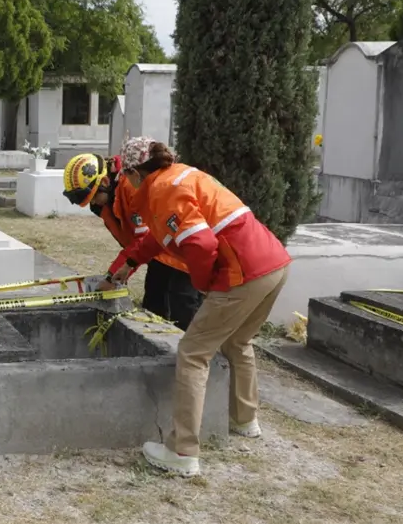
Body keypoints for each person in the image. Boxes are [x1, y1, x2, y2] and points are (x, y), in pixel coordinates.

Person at [104, 137, 291, 477]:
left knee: (192, 352)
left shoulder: (162, 191)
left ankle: (181, 450)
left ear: (132, 172)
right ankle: (244, 420)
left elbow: (201, 243)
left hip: (244, 272)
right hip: (274, 263)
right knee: (238, 341)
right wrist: (123, 267)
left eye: (125, 176)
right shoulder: (180, 176)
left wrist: (203, 283)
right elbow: (155, 239)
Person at [62, 151, 203, 329]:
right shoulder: (106, 201)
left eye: (95, 198)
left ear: (105, 182)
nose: (95, 204)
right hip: (158, 251)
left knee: (183, 306)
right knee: (153, 304)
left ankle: (194, 352)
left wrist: (112, 276)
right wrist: (122, 270)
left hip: (180, 249)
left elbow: (141, 237)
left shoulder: (130, 187)